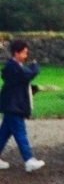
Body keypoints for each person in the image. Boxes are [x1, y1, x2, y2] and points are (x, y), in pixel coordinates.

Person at [0, 39, 45, 172]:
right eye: (24, 53)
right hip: (14, 106)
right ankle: (28, 160)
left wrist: (33, 88)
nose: (26, 56)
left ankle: (29, 160)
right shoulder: (12, 67)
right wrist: (35, 66)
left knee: (4, 133)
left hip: (11, 105)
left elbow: (21, 82)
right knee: (20, 133)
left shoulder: (14, 67)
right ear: (16, 53)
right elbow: (26, 75)